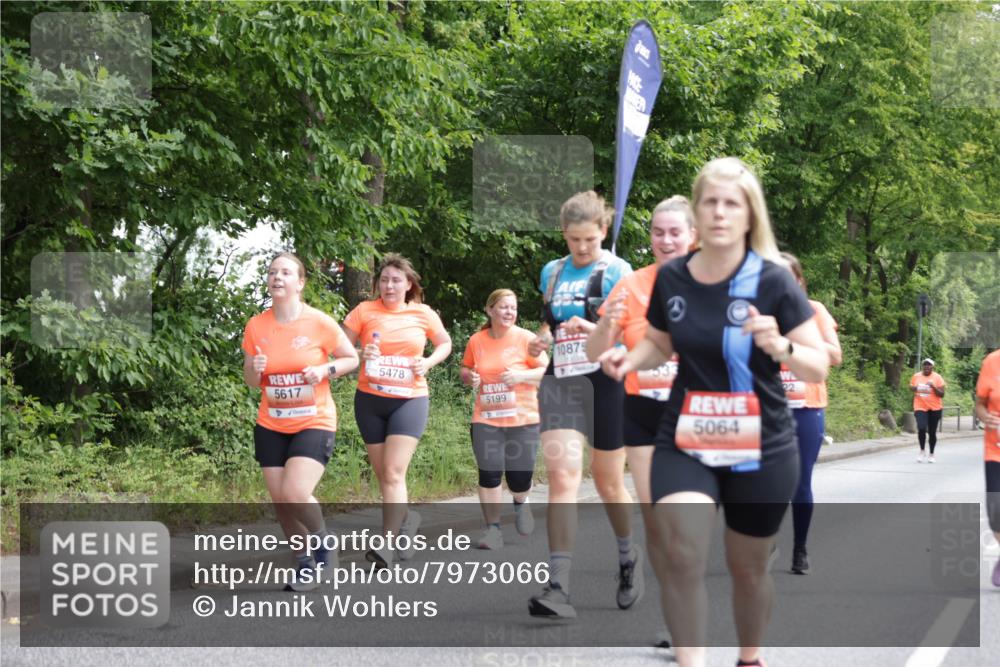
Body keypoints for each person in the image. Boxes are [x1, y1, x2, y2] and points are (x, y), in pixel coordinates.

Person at [599, 157, 829, 667]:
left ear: (750, 215)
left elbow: (817, 365)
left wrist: (781, 346)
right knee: (682, 552)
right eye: (710, 202)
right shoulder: (674, 278)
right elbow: (659, 344)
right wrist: (628, 358)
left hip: (763, 443)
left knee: (748, 570)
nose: (720, 212)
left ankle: (749, 657)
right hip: (688, 436)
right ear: (697, 212)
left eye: (732, 204)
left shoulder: (773, 281)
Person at [585, 195, 696, 645]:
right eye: (658, 232)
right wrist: (605, 328)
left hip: (701, 412)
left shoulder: (716, 280)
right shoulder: (631, 285)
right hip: (645, 412)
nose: (665, 240)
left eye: (675, 232)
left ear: (693, 235)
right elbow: (595, 351)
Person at [526, 190, 636, 619]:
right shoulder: (552, 272)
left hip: (607, 380)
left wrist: (593, 327)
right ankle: (558, 586)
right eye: (574, 240)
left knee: (607, 481)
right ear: (564, 235)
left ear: (603, 231)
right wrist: (542, 339)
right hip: (562, 380)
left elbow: (635, 333)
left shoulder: (617, 271)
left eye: (590, 239)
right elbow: (549, 322)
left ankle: (628, 557)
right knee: (562, 476)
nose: (583, 247)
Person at [242, 252, 359, 590]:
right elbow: (251, 381)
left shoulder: (319, 322)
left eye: (285, 272)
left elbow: (351, 358)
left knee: (295, 492)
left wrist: (324, 370)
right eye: (272, 272)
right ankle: (305, 563)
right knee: (282, 503)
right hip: (271, 423)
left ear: (301, 282)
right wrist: (255, 369)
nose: (277, 277)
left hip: (313, 420)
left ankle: (323, 543)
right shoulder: (256, 326)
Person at [342, 253, 452, 568]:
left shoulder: (422, 313)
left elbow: (444, 343)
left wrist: (427, 362)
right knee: (384, 476)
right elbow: (340, 351)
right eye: (384, 280)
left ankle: (386, 546)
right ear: (378, 284)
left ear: (408, 285)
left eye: (396, 280)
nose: (389, 286)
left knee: (392, 472)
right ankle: (407, 520)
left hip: (409, 400)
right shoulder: (363, 311)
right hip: (370, 401)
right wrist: (361, 352)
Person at [461, 289, 548, 549]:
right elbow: (465, 369)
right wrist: (469, 377)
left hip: (523, 419)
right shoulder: (477, 340)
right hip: (486, 417)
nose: (510, 312)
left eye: (513, 307)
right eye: (504, 307)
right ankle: (493, 530)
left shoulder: (526, 339)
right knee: (489, 474)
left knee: (518, 480)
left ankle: (521, 501)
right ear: (490, 310)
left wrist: (521, 376)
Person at [778, 252, 842, 575]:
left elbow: (836, 355)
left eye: (788, 276)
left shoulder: (814, 311)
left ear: (799, 281)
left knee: (800, 483)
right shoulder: (758, 312)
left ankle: (800, 548)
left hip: (806, 407)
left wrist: (795, 341)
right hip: (767, 408)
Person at [974, 348, 1000, 587]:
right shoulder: (992, 362)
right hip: (996, 451)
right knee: (995, 511)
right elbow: (980, 404)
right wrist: (986, 417)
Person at [910, 358, 946, 463]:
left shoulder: (937, 377)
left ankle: (931, 454)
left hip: (935, 408)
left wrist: (933, 387)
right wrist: (916, 388)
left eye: (929, 365)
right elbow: (911, 387)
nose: (926, 367)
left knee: (932, 432)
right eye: (925, 365)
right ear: (922, 366)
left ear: (932, 367)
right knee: (921, 428)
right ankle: (922, 450)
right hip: (920, 406)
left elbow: (942, 394)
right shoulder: (916, 376)